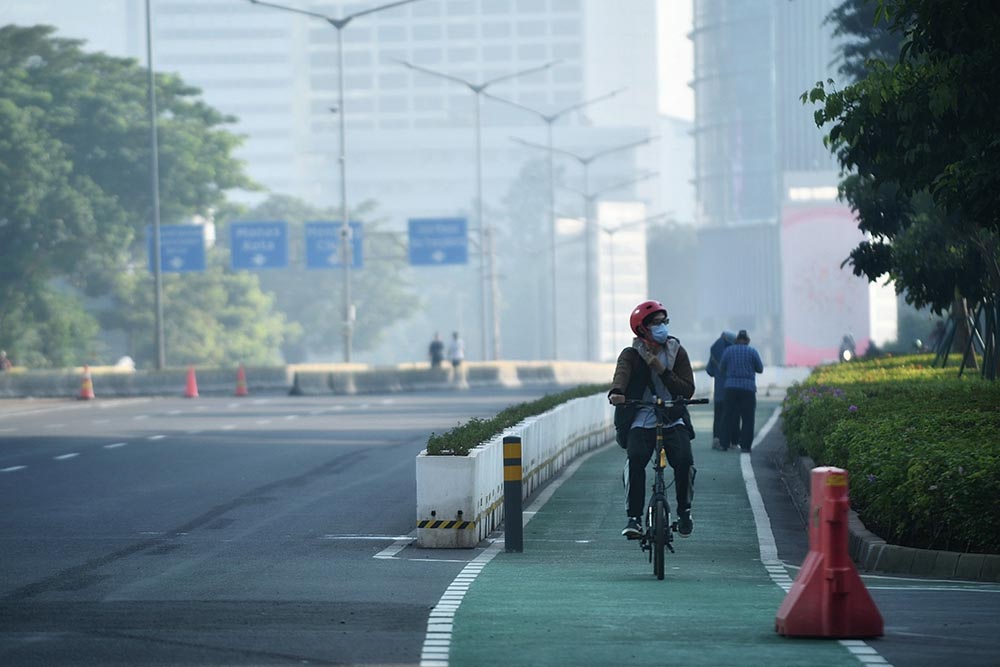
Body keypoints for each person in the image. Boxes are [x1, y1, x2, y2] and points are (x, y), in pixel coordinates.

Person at [608, 300, 697, 539]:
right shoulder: (631, 355)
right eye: (657, 323)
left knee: (685, 460)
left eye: (664, 322)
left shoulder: (676, 351)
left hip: (672, 417)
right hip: (641, 417)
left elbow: (687, 389)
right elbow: (621, 376)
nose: (662, 327)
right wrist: (617, 393)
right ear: (642, 329)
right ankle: (634, 518)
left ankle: (684, 511)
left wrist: (661, 369)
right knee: (636, 459)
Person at [719, 329, 764, 453]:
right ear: (748, 341)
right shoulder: (752, 351)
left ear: (736, 340)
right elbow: (760, 369)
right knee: (748, 418)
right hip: (748, 388)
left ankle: (724, 444)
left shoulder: (728, 351)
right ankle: (745, 446)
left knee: (727, 416)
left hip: (730, 387)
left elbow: (721, 368)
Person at [705, 330, 736, 450]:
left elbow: (709, 371)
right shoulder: (733, 352)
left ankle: (716, 439)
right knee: (732, 416)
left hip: (719, 391)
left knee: (718, 416)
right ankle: (732, 442)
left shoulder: (714, 352)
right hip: (732, 389)